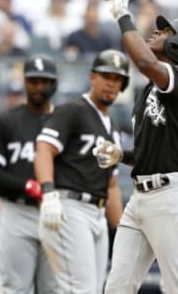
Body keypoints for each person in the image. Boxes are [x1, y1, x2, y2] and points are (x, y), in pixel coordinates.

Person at [98, 0, 178, 293]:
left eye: (166, 29)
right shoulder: (147, 91)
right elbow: (152, 149)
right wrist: (121, 155)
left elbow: (144, 62)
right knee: (117, 288)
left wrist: (123, 16)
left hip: (172, 197)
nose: (157, 30)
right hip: (141, 197)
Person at [34, 49, 127, 294]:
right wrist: (48, 193)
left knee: (94, 290)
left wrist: (123, 230)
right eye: (106, 75)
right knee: (80, 290)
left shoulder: (113, 128)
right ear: (92, 76)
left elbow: (112, 185)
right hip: (69, 207)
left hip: (97, 211)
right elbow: (44, 149)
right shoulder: (73, 110)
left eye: (117, 79)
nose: (111, 83)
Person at [0, 54, 59, 294]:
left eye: (44, 81)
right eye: (33, 80)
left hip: (56, 212)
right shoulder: (4, 120)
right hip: (17, 211)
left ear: (54, 83)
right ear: (25, 82)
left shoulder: (64, 119)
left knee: (54, 289)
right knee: (16, 288)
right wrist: (27, 186)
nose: (38, 86)